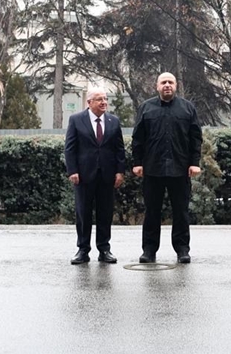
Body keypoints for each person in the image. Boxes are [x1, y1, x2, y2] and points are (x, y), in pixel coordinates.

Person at [131, 72, 202, 264]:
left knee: (181, 212)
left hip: (180, 169)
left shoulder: (187, 108)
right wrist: (137, 162)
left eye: (170, 82)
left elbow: (196, 138)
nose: (167, 85)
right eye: (163, 82)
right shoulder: (146, 108)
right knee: (152, 212)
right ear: (157, 86)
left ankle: (182, 250)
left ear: (176, 85)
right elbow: (138, 138)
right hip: (153, 169)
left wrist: (195, 163)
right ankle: (149, 250)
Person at [63, 86, 127, 264]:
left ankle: (104, 249)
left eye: (105, 99)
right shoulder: (76, 120)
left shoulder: (113, 121)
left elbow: (119, 149)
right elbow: (70, 148)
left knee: (105, 213)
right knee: (83, 213)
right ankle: (83, 250)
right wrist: (72, 170)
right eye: (99, 99)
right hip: (83, 175)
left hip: (107, 175)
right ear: (89, 102)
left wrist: (120, 171)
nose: (104, 102)